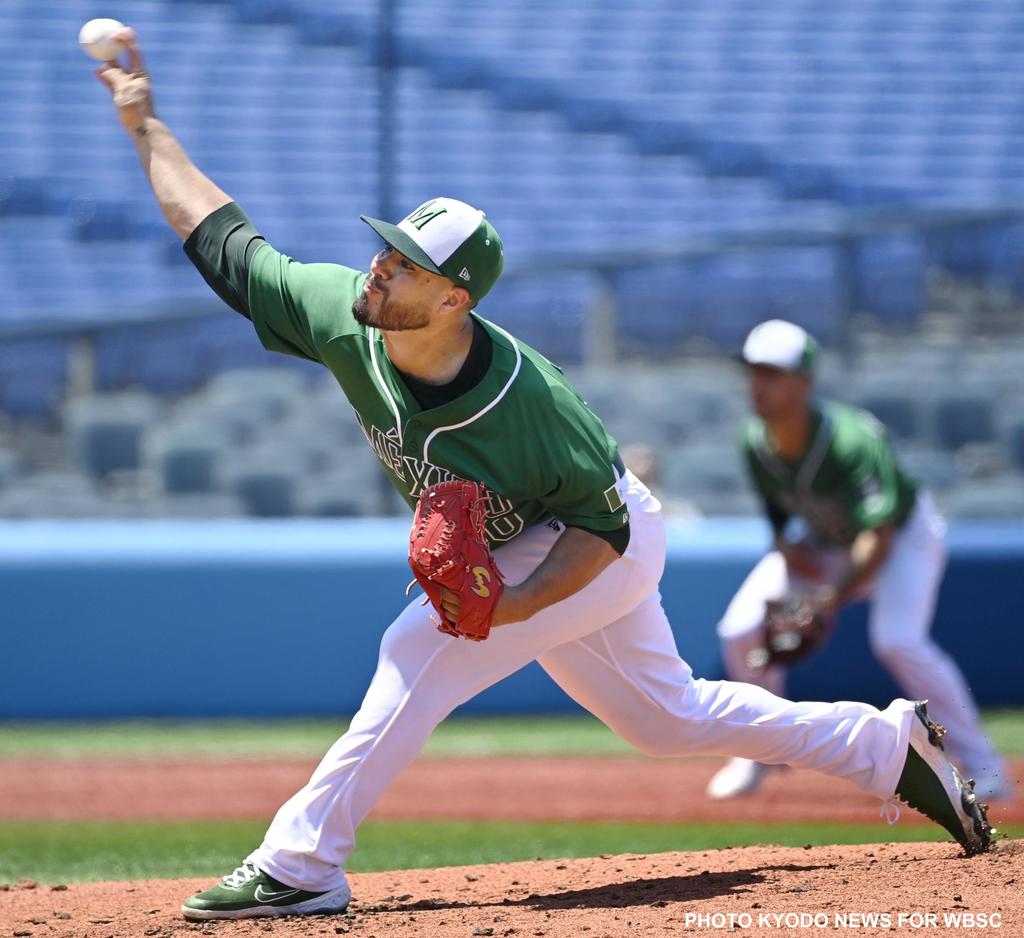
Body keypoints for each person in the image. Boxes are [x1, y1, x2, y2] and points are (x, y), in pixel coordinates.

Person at [93, 30, 992, 922]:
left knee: (417, 650)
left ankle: (301, 863)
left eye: (406, 265)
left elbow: (605, 530)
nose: (380, 267)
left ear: (454, 299)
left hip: (597, 537)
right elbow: (226, 244)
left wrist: (513, 605)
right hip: (530, 538)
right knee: (666, 719)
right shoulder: (343, 315)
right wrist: (146, 127)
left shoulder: (530, 403)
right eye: (387, 249)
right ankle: (885, 745)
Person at [707, 319, 1010, 802]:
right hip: (828, 541)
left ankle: (985, 765)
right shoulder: (754, 438)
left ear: (803, 381)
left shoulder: (851, 439)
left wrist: (827, 600)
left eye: (771, 373)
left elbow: (878, 535)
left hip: (902, 538)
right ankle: (761, 749)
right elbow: (779, 515)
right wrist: (786, 548)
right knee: (740, 629)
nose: (757, 384)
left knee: (898, 640)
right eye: (753, 371)